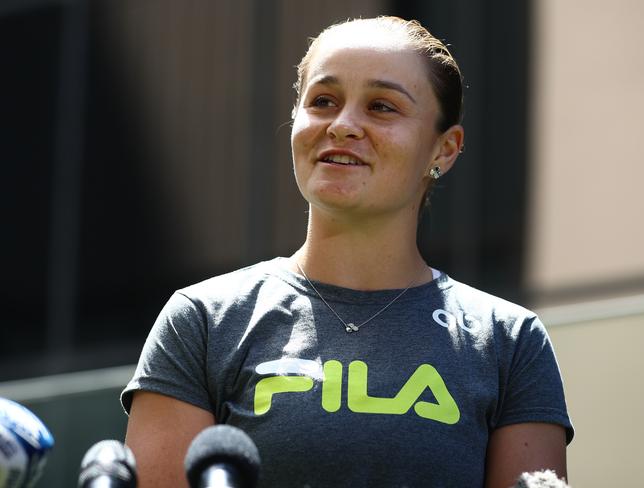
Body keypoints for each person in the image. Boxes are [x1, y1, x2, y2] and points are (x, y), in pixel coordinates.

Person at [121, 16, 573, 488]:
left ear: (444, 149)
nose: (343, 125)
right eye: (322, 101)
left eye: (381, 106)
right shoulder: (203, 321)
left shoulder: (510, 341)